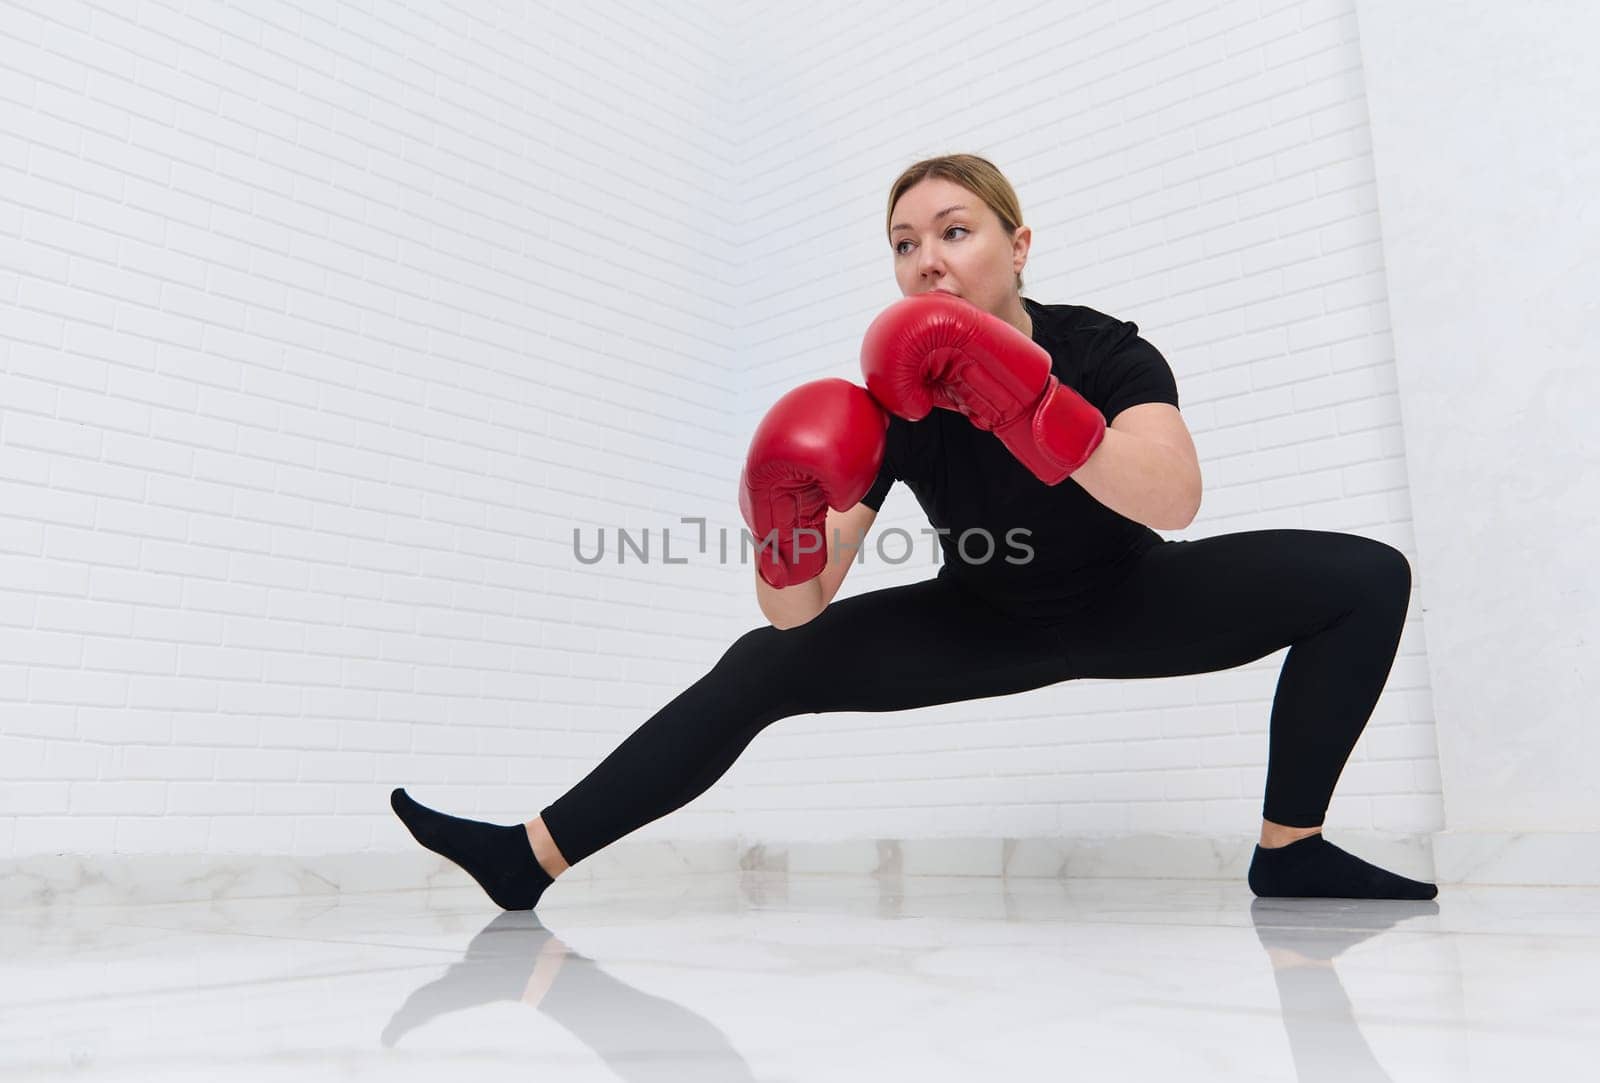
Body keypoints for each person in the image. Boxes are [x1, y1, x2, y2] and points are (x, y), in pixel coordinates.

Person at [391, 154, 1438, 908]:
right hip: (983, 615)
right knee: (763, 663)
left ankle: (1289, 849)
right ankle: (529, 856)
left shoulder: (1100, 348)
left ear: (1016, 245)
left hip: (1130, 599)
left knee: (1366, 576)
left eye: (954, 231)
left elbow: (1172, 500)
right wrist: (783, 518)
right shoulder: (891, 405)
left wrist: (1027, 404)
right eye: (904, 244)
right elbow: (798, 610)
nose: (926, 260)